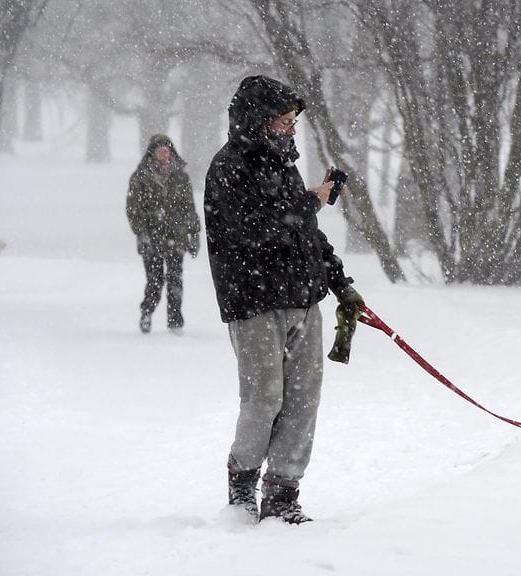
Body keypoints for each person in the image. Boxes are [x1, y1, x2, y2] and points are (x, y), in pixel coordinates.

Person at [204, 75, 364, 525]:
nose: (292, 129)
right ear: (258, 120)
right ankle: (242, 486)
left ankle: (282, 494)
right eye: (284, 121)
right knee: (264, 400)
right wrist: (311, 201)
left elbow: (305, 232)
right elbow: (251, 230)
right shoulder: (228, 167)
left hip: (303, 299)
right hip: (253, 302)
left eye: (294, 121)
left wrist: (340, 283)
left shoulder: (283, 164)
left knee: (302, 401)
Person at [126, 134, 201, 335]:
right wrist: (141, 232)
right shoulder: (140, 178)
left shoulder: (181, 177)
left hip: (177, 237)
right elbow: (133, 208)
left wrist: (194, 233)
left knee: (175, 280)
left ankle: (175, 320)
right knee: (155, 280)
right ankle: (147, 312)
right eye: (160, 150)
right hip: (152, 238)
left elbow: (189, 207)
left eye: (166, 150)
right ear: (152, 153)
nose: (164, 154)